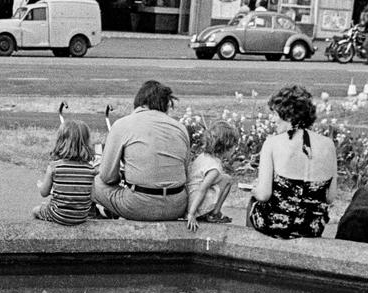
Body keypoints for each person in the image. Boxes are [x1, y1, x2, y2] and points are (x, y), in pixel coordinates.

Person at [92, 80, 191, 222]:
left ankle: (93, 214)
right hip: (177, 206)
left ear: (139, 102)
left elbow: (107, 176)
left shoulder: (123, 124)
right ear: (165, 105)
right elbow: (185, 173)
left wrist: (120, 177)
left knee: (92, 182)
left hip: (138, 205)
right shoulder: (180, 128)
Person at [247, 85, 337, 240]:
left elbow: (264, 195)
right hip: (311, 229)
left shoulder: (272, 143)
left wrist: (254, 189)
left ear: (288, 115)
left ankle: (251, 249)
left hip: (273, 226)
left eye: (275, 114)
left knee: (254, 201)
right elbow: (330, 197)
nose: (273, 119)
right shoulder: (329, 144)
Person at [32, 120, 97, 226]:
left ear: (60, 142)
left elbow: (44, 193)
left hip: (57, 215)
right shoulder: (90, 170)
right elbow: (93, 197)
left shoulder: (54, 167)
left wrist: (41, 186)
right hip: (81, 217)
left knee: (36, 210)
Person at [185, 119, 238, 231]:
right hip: (195, 203)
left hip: (189, 195)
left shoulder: (204, 156)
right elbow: (202, 189)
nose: (235, 149)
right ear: (226, 146)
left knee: (227, 179)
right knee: (226, 180)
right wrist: (191, 214)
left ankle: (214, 212)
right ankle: (212, 214)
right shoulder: (215, 169)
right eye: (234, 146)